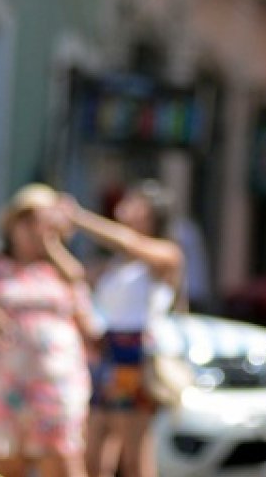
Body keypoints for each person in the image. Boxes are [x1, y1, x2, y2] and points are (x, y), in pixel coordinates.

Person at [0, 183, 98, 477]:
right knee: (7, 463)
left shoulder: (64, 270)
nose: (34, 230)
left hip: (56, 382)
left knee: (62, 458)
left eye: (42, 223)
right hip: (5, 383)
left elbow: (88, 324)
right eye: (27, 221)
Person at [65, 180, 185, 477]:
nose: (128, 209)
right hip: (108, 351)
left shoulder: (165, 253)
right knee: (93, 453)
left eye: (137, 204)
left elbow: (129, 242)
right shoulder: (117, 262)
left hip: (136, 352)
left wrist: (79, 218)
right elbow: (75, 274)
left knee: (134, 457)